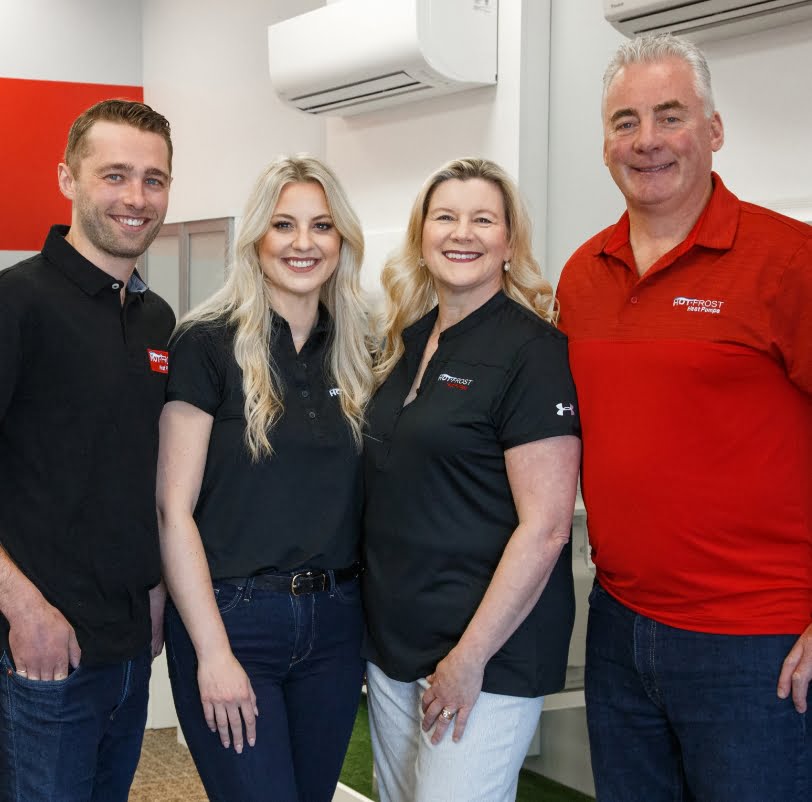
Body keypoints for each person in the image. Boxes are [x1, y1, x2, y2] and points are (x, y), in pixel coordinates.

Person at [556, 33, 812, 802]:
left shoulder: (787, 258)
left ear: (714, 130)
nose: (648, 141)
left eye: (671, 116)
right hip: (619, 626)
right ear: (606, 142)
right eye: (626, 121)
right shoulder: (583, 272)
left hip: (757, 643)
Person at [157, 155, 375, 802]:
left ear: (343, 240)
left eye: (322, 226)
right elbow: (173, 511)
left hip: (336, 625)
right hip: (234, 621)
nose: (303, 244)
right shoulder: (205, 343)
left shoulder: (362, 347)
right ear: (256, 237)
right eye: (284, 225)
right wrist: (213, 653)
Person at [363, 157, 582, 802]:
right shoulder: (405, 341)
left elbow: (543, 530)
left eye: (483, 219)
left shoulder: (533, 352)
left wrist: (468, 659)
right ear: (421, 236)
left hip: (486, 653)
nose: (463, 233)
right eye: (446, 217)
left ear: (509, 243)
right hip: (396, 644)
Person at [0, 99, 174, 801]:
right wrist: (23, 609)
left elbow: (138, 468)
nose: (135, 198)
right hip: (40, 651)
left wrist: (156, 588)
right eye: (114, 175)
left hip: (128, 644)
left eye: (154, 179)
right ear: (68, 178)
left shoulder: (156, 318)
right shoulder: (18, 304)